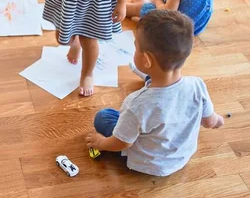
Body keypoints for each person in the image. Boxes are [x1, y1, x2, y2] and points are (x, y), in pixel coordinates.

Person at [85, 10, 224, 177]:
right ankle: (152, 79)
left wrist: (102, 143)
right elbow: (209, 122)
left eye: (136, 47)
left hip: (149, 163)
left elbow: (122, 142)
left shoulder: (137, 104)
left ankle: (150, 81)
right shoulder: (197, 85)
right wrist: (218, 120)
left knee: (103, 117)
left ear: (146, 60)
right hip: (181, 156)